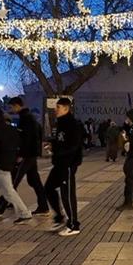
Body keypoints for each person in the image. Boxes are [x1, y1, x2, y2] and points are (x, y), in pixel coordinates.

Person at [0, 97, 50, 216]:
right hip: (31, 154)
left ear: (17, 106)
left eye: (11, 107)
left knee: (13, 181)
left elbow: (25, 139)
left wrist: (20, 154)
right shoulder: (29, 118)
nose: (11, 110)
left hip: (26, 155)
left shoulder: (25, 119)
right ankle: (43, 206)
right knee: (34, 181)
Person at [44, 97, 84, 236]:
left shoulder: (73, 124)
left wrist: (60, 152)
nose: (56, 109)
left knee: (67, 194)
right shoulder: (59, 123)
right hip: (58, 163)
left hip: (68, 164)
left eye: (58, 107)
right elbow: (59, 141)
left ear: (66, 108)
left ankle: (73, 225)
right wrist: (52, 145)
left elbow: (74, 145)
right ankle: (59, 217)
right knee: (48, 188)